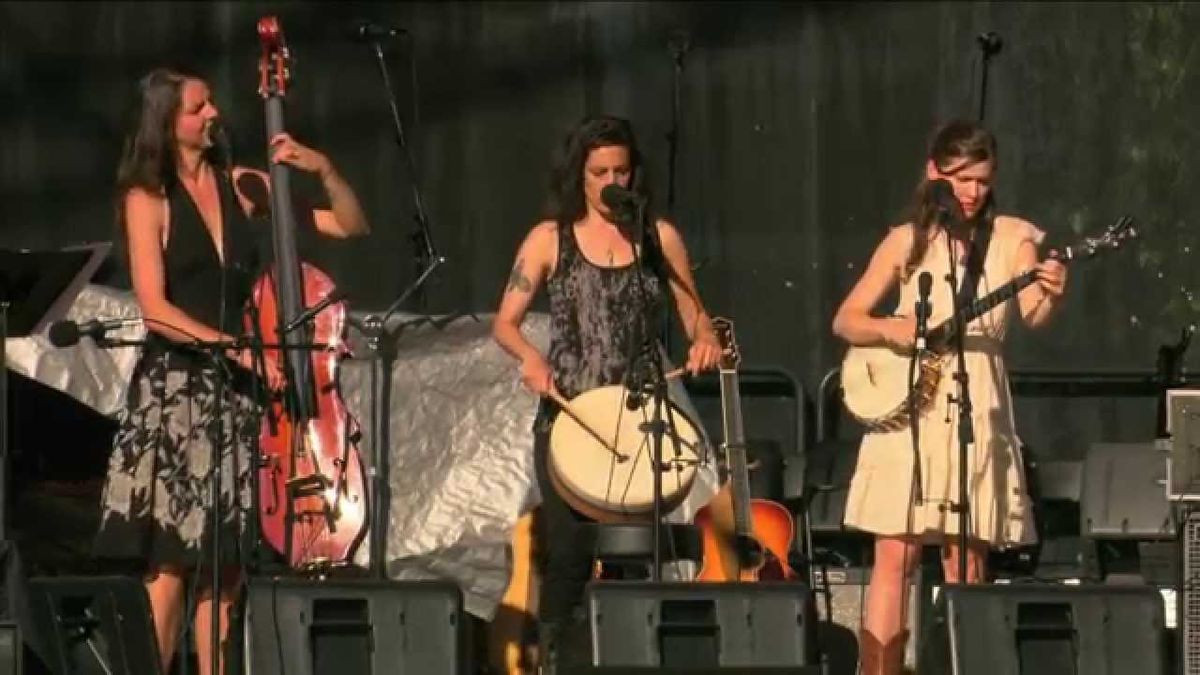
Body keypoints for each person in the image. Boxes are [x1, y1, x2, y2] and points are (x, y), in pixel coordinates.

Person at [93, 67, 369, 674]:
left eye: (212, 103)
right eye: (199, 107)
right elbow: (156, 310)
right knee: (169, 566)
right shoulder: (149, 198)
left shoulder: (241, 185)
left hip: (240, 396)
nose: (214, 113)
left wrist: (321, 169)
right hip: (178, 395)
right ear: (168, 124)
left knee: (226, 569)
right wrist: (237, 349)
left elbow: (350, 224)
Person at [831, 119, 1068, 674]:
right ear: (934, 172)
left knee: (965, 555)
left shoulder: (1013, 237)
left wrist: (1053, 291)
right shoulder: (907, 239)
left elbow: (1033, 313)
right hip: (912, 405)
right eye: (960, 178)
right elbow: (847, 319)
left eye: (982, 180)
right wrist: (894, 331)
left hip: (973, 401)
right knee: (896, 552)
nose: (971, 192)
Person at [491, 114, 722, 672]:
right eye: (600, 172)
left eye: (621, 169)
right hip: (569, 419)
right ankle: (556, 662)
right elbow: (505, 323)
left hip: (638, 421)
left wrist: (705, 341)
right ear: (582, 176)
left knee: (634, 556)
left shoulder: (656, 236)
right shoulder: (550, 239)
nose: (611, 180)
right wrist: (530, 358)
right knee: (569, 552)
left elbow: (697, 317)